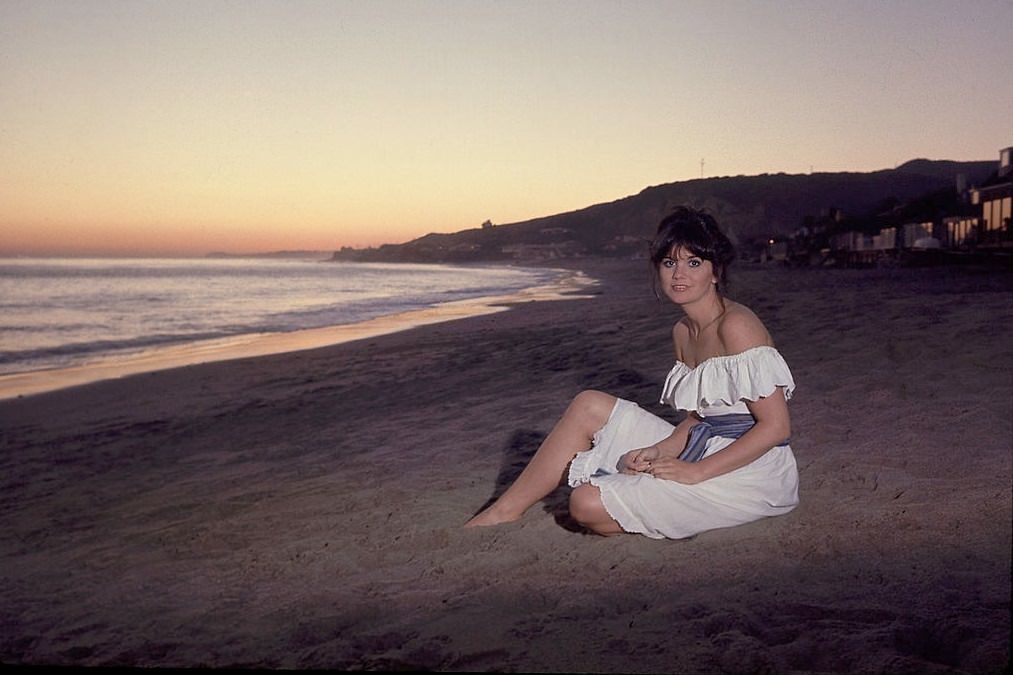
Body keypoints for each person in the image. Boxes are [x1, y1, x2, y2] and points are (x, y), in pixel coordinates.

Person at [465, 206, 800, 539]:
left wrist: (696, 472)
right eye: (669, 263)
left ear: (715, 271)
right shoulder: (683, 331)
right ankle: (503, 511)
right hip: (706, 447)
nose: (679, 274)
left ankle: (658, 504)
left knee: (584, 505)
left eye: (693, 262)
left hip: (754, 472)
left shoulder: (737, 325)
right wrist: (660, 451)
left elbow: (776, 427)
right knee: (589, 404)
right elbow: (701, 418)